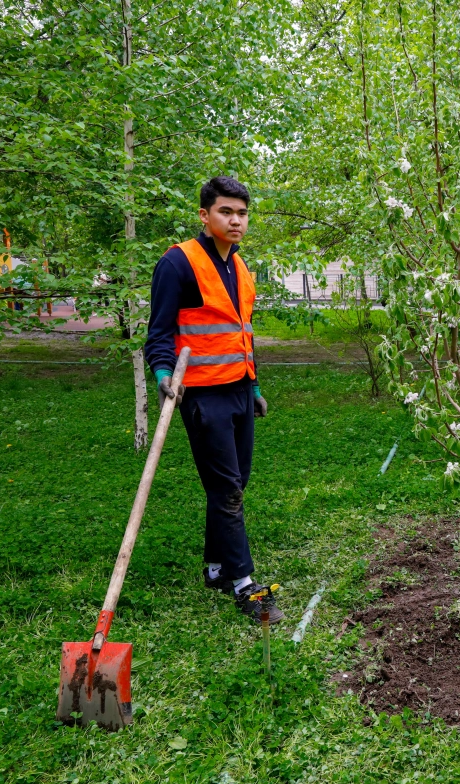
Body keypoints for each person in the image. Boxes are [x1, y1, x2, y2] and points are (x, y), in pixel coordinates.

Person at [144, 176, 284, 623]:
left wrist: (256, 386)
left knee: (233, 485)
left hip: (240, 389)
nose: (236, 220)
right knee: (227, 490)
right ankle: (245, 585)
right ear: (205, 215)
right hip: (204, 396)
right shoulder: (178, 263)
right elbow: (160, 333)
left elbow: (243, 333)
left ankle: (217, 567)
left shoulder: (240, 268)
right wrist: (165, 375)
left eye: (242, 213)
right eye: (226, 211)